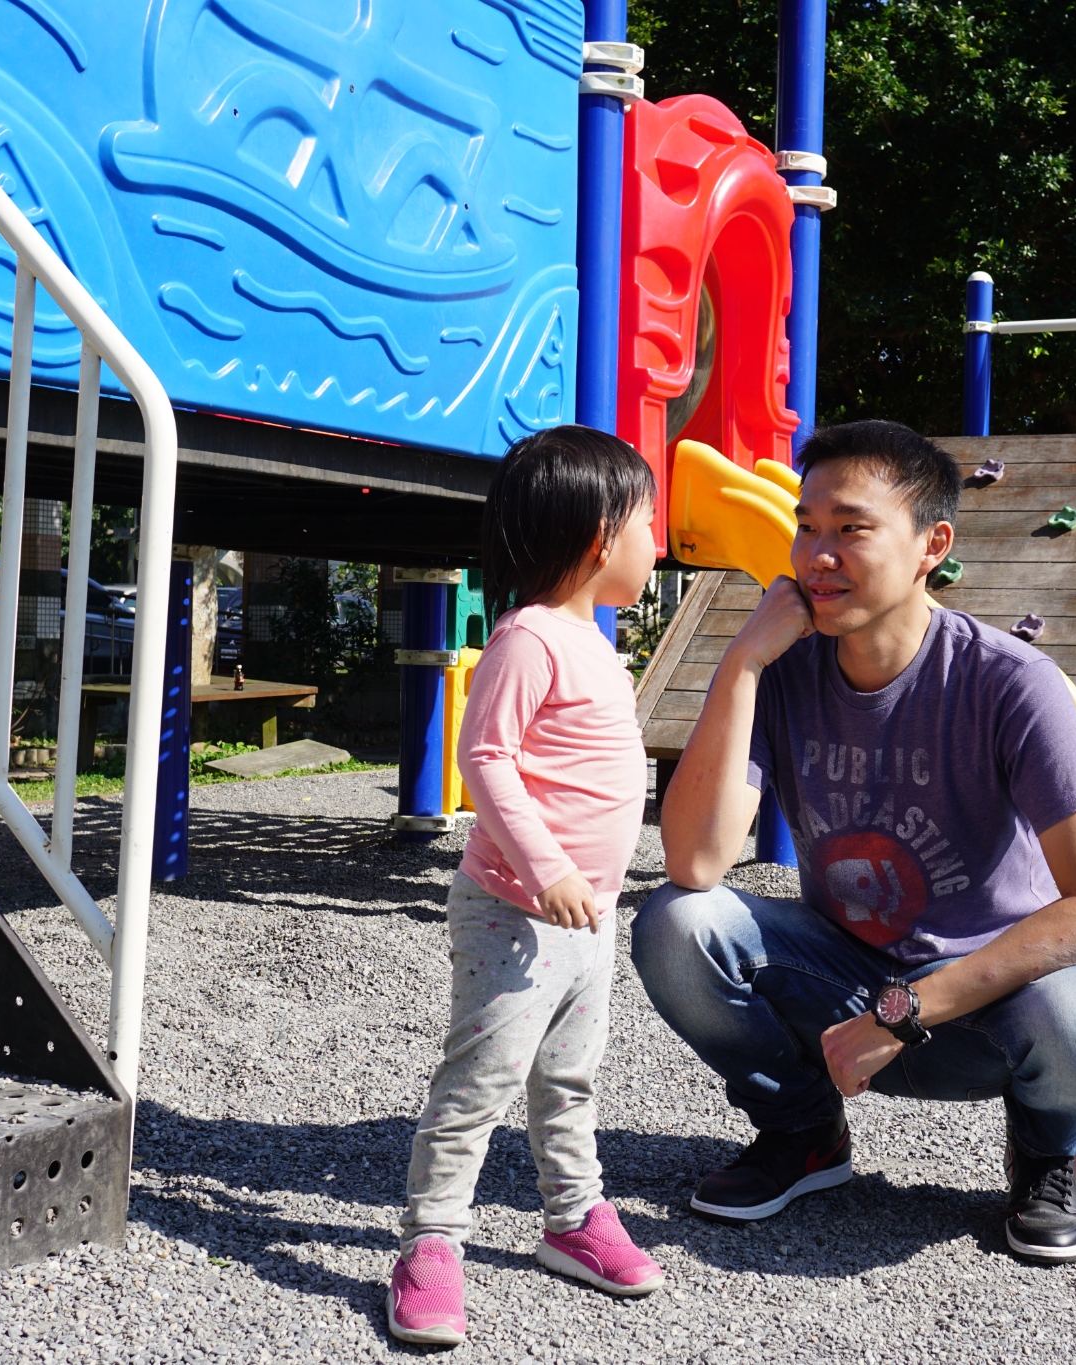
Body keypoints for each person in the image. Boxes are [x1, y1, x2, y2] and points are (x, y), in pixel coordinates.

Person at [635, 420, 1076, 1263]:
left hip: (985, 1003)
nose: (818, 554)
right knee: (676, 922)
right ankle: (803, 1132)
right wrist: (744, 660)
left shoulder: (1009, 683)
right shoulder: (784, 672)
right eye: (806, 527)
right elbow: (693, 861)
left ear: (930, 546)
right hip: (841, 984)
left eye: (852, 528)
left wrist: (903, 1011)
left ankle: (1046, 1155)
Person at [388, 426, 667, 1347]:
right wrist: (547, 867)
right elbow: (486, 757)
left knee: (570, 1076)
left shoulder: (593, 641)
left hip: (586, 916)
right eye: (647, 522)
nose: (657, 541)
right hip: (515, 911)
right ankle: (431, 1239)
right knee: (481, 1080)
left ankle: (574, 1215)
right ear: (599, 536)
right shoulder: (529, 637)